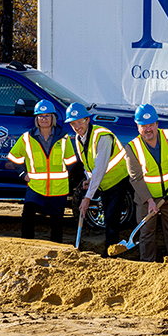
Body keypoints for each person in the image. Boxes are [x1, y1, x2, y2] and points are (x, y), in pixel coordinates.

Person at [125, 104, 168, 262]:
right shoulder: (132, 148)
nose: (148, 129)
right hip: (146, 200)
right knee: (146, 235)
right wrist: (149, 201)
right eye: (144, 126)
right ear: (138, 127)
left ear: (157, 124)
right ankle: (147, 268)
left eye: (151, 125)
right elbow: (136, 178)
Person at [7, 100, 77, 243]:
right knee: (27, 217)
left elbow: (70, 162)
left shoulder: (63, 137)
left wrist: (64, 177)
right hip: (36, 187)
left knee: (57, 224)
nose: (43, 119)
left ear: (53, 118)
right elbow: (14, 158)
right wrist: (22, 174)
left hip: (59, 189)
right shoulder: (27, 138)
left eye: (47, 116)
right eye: (40, 116)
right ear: (36, 119)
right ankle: (27, 247)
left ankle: (56, 252)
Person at [66, 102, 130, 254]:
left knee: (111, 217)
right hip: (104, 183)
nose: (77, 126)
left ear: (87, 120)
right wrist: (89, 179)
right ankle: (111, 248)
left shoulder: (102, 136)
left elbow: (100, 168)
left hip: (118, 179)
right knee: (108, 217)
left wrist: (87, 198)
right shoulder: (79, 137)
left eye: (80, 122)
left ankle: (111, 252)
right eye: (73, 123)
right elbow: (88, 164)